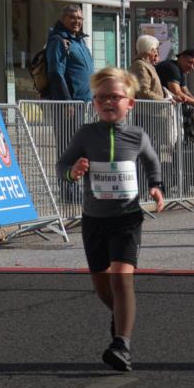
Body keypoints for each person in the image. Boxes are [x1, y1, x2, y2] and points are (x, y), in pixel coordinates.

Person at [56, 67, 165, 372]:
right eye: (101, 97)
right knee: (102, 285)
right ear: (94, 103)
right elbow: (63, 163)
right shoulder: (86, 135)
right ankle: (121, 318)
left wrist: (156, 186)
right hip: (94, 219)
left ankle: (121, 345)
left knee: (121, 277)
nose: (107, 102)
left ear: (130, 103)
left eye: (115, 97)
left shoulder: (137, 135)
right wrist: (73, 171)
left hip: (127, 218)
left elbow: (152, 161)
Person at [46, 3, 93, 101]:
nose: (77, 21)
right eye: (72, 17)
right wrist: (67, 102)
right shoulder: (58, 41)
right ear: (63, 19)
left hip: (87, 103)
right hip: (72, 105)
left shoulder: (80, 40)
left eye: (80, 18)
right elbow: (56, 73)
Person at [129, 35, 168, 101]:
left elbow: (155, 89)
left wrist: (170, 97)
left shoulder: (146, 65)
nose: (157, 53)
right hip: (149, 110)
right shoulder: (140, 66)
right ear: (150, 50)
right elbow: (144, 92)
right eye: (156, 49)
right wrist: (164, 100)